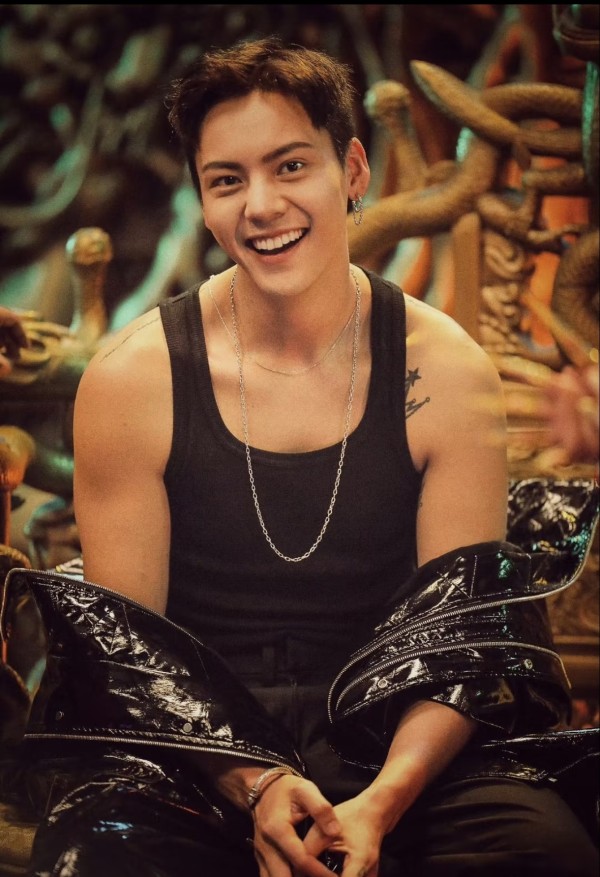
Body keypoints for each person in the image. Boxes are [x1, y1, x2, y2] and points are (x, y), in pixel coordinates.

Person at [7, 36, 598, 877]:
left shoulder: (444, 369)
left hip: (394, 735)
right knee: (101, 858)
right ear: (203, 199)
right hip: (191, 754)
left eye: (290, 166)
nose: (261, 206)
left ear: (351, 169)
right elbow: (131, 659)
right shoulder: (134, 378)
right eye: (227, 180)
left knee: (539, 850)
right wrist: (256, 784)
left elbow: (462, 645)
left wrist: (381, 801)